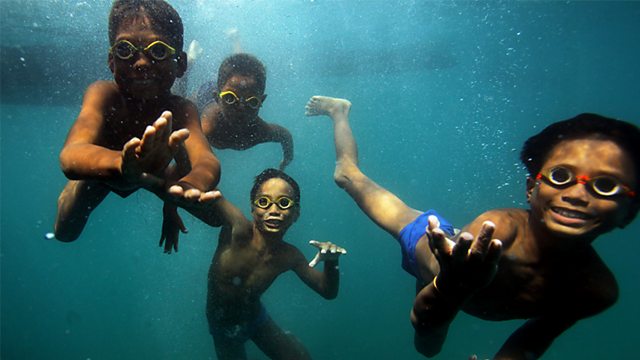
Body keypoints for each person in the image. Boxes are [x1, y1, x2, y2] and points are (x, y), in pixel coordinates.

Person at [305, 95, 639, 359]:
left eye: (605, 185)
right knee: (346, 175)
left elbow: (534, 339)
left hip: (449, 284)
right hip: (427, 241)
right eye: (560, 177)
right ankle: (340, 111)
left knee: (428, 350)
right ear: (530, 189)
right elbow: (425, 311)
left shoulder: (596, 291)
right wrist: (451, 283)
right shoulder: (499, 229)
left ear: (629, 212)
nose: (578, 195)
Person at [53, 0, 220, 246]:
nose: (141, 63)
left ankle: (171, 197)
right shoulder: (103, 94)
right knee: (65, 234)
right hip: (102, 172)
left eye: (158, 50)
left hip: (154, 172)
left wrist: (186, 189)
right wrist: (120, 164)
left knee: (218, 217)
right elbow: (71, 154)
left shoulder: (182, 109)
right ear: (111, 61)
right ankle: (73, 190)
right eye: (125, 50)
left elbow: (204, 159)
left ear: (181, 64)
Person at [183, 168, 346, 360]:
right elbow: (205, 187)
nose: (274, 211)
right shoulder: (238, 229)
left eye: (284, 203)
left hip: (256, 319)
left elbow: (327, 291)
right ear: (252, 208)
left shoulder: (290, 255)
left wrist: (331, 263)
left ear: (296, 213)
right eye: (264, 202)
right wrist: (169, 207)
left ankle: (290, 340)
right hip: (223, 330)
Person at [201, 53, 294, 171]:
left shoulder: (260, 131)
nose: (241, 107)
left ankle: (235, 40)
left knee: (242, 79)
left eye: (252, 101)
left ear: (261, 101)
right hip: (205, 95)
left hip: (226, 86)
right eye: (231, 99)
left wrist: (287, 159)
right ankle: (192, 60)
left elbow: (285, 136)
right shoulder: (208, 127)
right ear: (217, 98)